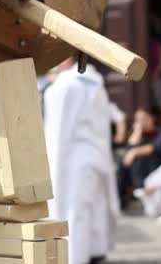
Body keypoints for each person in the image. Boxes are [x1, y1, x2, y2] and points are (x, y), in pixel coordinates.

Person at [43, 57, 119, 264]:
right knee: (92, 207)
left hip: (72, 157)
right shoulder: (96, 84)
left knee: (74, 210)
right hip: (96, 155)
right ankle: (95, 251)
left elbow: (58, 134)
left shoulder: (65, 86)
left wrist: (53, 172)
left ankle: (75, 257)